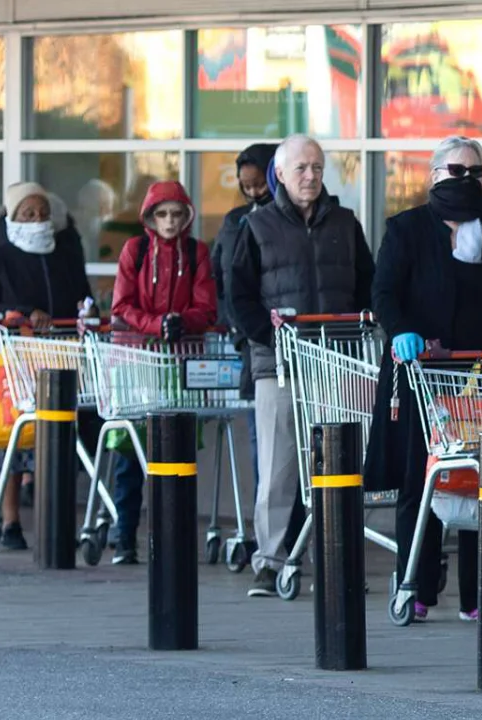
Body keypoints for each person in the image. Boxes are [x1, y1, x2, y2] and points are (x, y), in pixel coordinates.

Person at [367, 135, 482, 622]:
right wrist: (401, 331)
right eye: (455, 170)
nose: (465, 179)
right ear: (434, 175)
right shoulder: (406, 229)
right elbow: (384, 293)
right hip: (421, 371)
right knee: (417, 479)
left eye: (474, 171)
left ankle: (476, 595)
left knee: (477, 480)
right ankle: (417, 586)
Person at [228, 134, 375, 598]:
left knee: (341, 461)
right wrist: (268, 336)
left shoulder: (346, 224)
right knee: (277, 467)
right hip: (280, 366)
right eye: (300, 169)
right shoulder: (256, 227)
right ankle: (270, 563)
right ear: (281, 175)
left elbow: (367, 285)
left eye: (316, 167)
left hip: (338, 359)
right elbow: (238, 296)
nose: (310, 176)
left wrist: (366, 324)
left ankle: (337, 555)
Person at [0, 182, 93, 551]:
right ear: (12, 217)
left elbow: (82, 295)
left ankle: (56, 522)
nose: (38, 221)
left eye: (43, 214)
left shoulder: (65, 253)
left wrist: (88, 313)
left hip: (61, 356)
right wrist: (21, 314)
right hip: (14, 359)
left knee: (60, 442)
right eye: (28, 214)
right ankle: (10, 522)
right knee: (14, 442)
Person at [108, 180, 218, 565]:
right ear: (150, 218)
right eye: (162, 214)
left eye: (176, 214)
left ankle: (174, 535)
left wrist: (181, 321)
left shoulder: (196, 251)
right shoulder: (135, 251)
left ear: (186, 216)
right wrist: (156, 324)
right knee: (131, 452)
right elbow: (121, 305)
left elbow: (207, 307)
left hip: (181, 360)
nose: (170, 221)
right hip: (138, 360)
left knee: (178, 451)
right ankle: (124, 533)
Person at [212, 143, 276, 502]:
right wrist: (236, 328)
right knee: (259, 435)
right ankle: (263, 516)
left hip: (277, 336)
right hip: (247, 340)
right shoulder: (234, 221)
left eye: (259, 184)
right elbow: (221, 278)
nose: (253, 192)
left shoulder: (282, 219)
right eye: (246, 185)